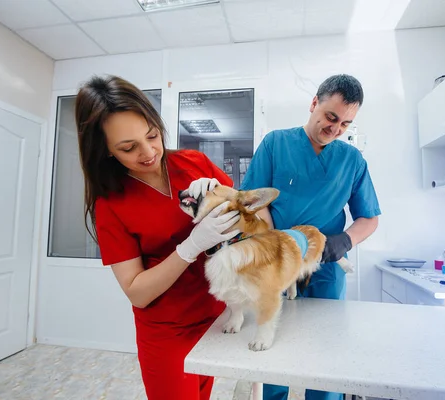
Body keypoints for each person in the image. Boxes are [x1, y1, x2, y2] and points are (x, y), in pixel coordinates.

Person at [75, 74, 240, 400]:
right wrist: (192, 245)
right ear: (105, 150)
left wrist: (230, 201)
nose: (149, 152)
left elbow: (247, 214)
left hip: (215, 316)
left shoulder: (194, 163)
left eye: (152, 135)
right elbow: (137, 292)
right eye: (128, 147)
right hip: (168, 330)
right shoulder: (111, 204)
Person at [240, 74, 381, 400]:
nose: (335, 129)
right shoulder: (276, 144)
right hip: (278, 265)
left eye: (345, 124)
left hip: (326, 271)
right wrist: (274, 238)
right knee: (275, 345)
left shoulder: (352, 160)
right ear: (314, 103)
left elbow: (369, 218)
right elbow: (253, 200)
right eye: (331, 117)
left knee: (325, 353)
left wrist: (344, 241)